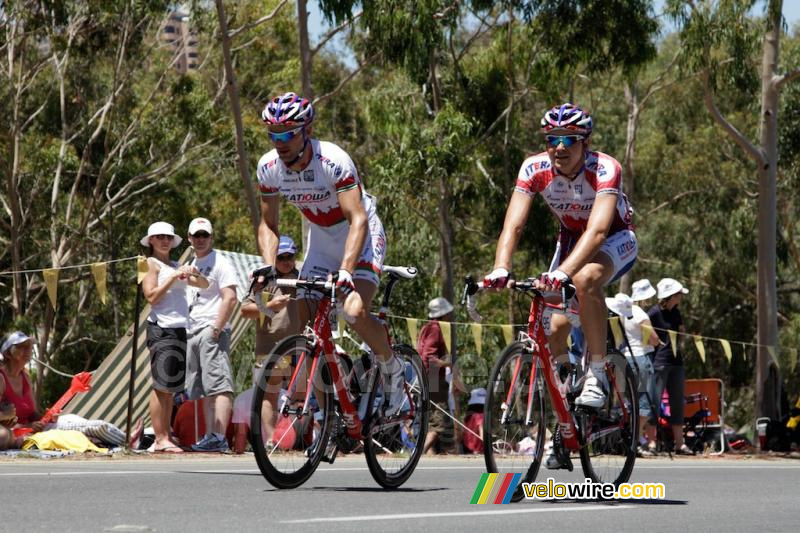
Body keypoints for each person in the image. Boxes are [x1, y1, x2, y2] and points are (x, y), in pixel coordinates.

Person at [484, 103, 637, 469]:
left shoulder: (605, 168)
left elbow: (599, 231)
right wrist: (501, 267)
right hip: (570, 240)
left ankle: (598, 373)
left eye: (569, 140)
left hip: (614, 239)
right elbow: (514, 225)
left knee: (584, 280)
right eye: (552, 140)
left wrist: (564, 274)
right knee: (553, 329)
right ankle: (566, 415)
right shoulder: (534, 169)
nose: (560, 148)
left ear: (585, 143)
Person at [254, 92, 403, 416]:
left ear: (306, 131)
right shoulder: (268, 167)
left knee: (352, 309)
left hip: (359, 234)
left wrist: (347, 270)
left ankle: (394, 374)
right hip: (321, 239)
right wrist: (268, 268)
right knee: (300, 323)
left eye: (287, 134)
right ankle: (328, 409)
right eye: (273, 135)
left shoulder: (332, 160)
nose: (280, 142)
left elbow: (358, 218)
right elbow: (269, 225)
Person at [142, 221, 206, 453]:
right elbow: (151, 297)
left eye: (168, 237)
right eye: (159, 237)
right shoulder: (150, 264)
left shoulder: (176, 264)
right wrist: (172, 277)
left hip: (179, 327)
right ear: (151, 241)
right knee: (161, 386)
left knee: (171, 387)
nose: (165, 241)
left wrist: (193, 273)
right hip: (162, 327)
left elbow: (204, 284)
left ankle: (166, 434)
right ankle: (159, 437)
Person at [182, 217, 239, 453]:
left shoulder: (220, 261)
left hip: (210, 328)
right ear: (189, 238)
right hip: (193, 329)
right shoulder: (192, 262)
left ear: (211, 237)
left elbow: (231, 296)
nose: (201, 239)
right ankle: (211, 436)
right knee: (205, 389)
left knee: (219, 385)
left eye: (205, 235)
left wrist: (217, 327)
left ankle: (219, 436)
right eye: (197, 235)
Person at [240, 235, 302, 447]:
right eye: (281, 256)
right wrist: (270, 306)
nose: (286, 261)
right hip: (271, 347)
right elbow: (244, 310)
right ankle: (271, 441)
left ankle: (300, 440)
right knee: (270, 394)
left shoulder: (303, 279)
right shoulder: (263, 280)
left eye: (290, 256)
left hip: (299, 345)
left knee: (302, 395)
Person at [605, 291, 660, 456]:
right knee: (642, 403)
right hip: (639, 359)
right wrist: (656, 342)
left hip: (621, 359)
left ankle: (624, 439)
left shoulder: (613, 314)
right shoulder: (638, 313)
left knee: (625, 402)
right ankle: (633, 441)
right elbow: (653, 339)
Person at [648, 277, 692, 455]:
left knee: (677, 402)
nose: (680, 297)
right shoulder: (653, 313)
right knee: (654, 402)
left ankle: (679, 444)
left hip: (676, 362)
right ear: (670, 296)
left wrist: (681, 340)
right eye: (678, 294)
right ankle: (651, 443)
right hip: (659, 362)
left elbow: (681, 331)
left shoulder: (677, 312)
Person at [417, 297, 455, 454]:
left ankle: (429, 454)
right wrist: (445, 363)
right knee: (440, 421)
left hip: (426, 377)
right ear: (443, 314)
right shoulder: (436, 329)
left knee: (432, 419)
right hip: (433, 378)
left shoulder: (426, 327)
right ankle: (421, 452)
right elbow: (428, 355)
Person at [462, 387, 486, 455]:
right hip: (478, 451)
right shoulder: (481, 416)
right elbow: (483, 437)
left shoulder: (468, 416)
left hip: (467, 449)